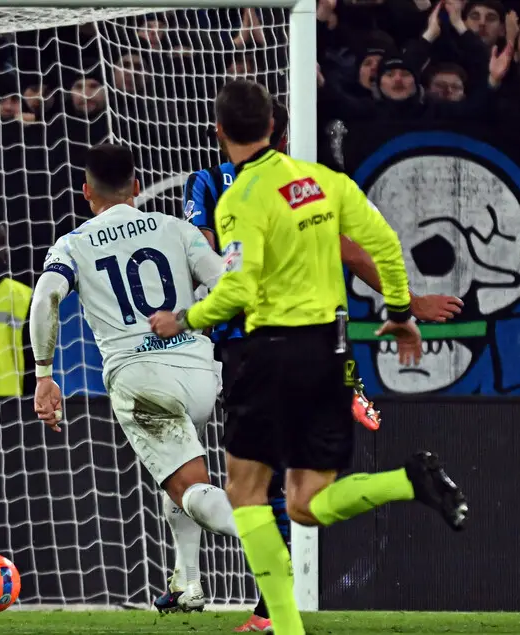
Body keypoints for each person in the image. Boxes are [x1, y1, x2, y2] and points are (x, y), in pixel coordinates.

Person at [150, 79, 468, 635]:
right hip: (329, 354)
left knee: (246, 493)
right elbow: (383, 244)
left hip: (268, 354)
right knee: (305, 502)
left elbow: (238, 287)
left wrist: (185, 319)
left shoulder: (239, 199)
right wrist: (400, 309)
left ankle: (283, 625)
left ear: (220, 131)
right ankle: (409, 480)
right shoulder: (327, 182)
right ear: (275, 128)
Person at [30, 143, 237, 613]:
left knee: (188, 489)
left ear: (87, 192)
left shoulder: (73, 243)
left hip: (142, 380)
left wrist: (44, 375)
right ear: (137, 187)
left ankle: (266, 535)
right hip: (201, 372)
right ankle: (188, 583)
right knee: (181, 478)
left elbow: (45, 298)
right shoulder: (178, 229)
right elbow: (226, 285)